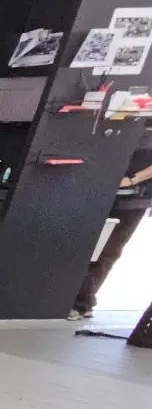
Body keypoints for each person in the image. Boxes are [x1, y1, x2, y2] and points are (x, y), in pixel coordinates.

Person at [75, 134, 152, 318]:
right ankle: (72, 299)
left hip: (133, 195)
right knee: (82, 245)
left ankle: (81, 302)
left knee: (108, 250)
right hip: (101, 185)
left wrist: (133, 180)